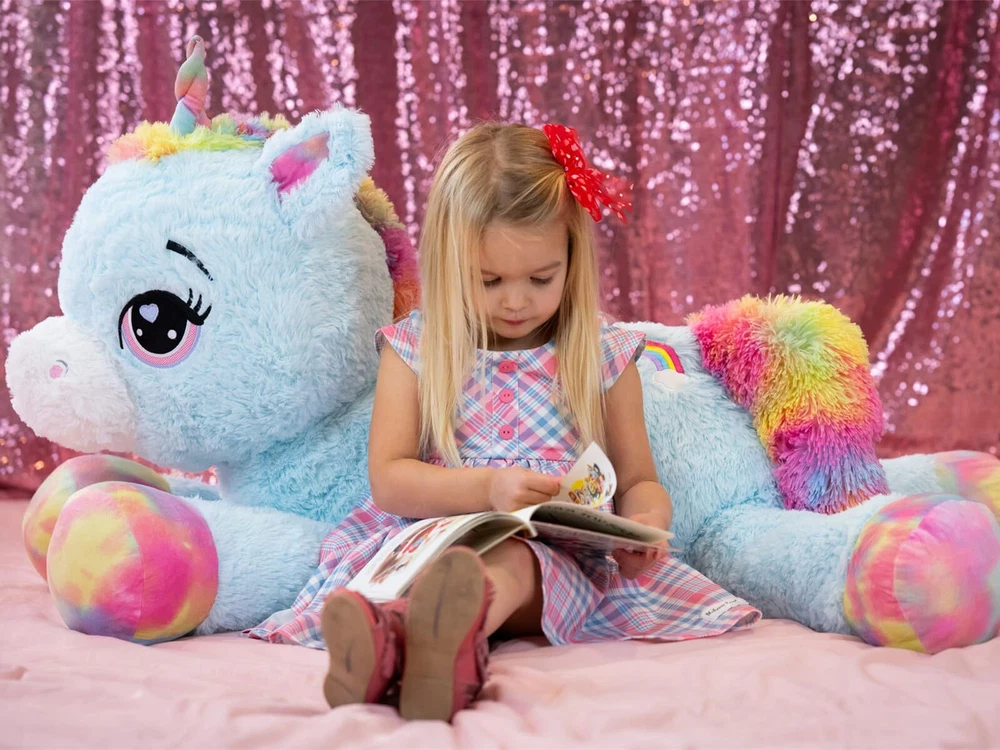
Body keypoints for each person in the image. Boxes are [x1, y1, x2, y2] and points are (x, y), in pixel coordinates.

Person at [253, 122, 760, 722]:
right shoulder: (416, 348)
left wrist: (645, 527)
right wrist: (488, 489)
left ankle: (426, 636)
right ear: (448, 263)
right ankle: (409, 638)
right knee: (438, 565)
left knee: (516, 559)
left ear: (572, 260)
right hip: (431, 537)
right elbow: (389, 479)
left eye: (541, 279)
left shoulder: (603, 354)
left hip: (557, 557)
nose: (516, 301)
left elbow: (639, 480)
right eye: (488, 280)